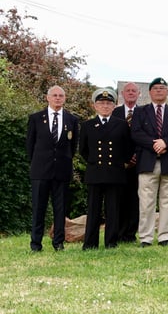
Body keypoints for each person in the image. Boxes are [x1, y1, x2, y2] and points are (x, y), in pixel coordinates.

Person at [131, 77, 168, 247]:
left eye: (162, 88)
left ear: (167, 91)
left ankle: (164, 237)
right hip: (147, 162)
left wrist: (166, 143)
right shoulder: (140, 111)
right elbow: (136, 133)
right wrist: (155, 144)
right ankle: (146, 238)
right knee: (146, 202)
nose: (159, 91)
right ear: (149, 92)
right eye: (155, 88)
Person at [26, 85, 79, 252]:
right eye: (54, 95)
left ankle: (58, 242)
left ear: (64, 98)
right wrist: (37, 163)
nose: (58, 98)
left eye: (61, 95)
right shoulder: (35, 118)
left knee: (60, 209)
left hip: (61, 170)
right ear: (47, 98)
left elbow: (73, 146)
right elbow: (30, 146)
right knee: (39, 208)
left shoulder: (72, 120)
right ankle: (36, 244)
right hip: (40, 170)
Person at [79, 88, 133, 249]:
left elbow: (128, 148)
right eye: (101, 103)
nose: (105, 106)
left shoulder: (122, 125)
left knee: (113, 210)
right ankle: (90, 243)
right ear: (95, 106)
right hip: (95, 172)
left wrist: (119, 162)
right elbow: (83, 150)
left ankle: (111, 241)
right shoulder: (87, 125)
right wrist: (94, 161)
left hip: (115, 172)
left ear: (114, 106)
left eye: (108, 103)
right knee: (93, 210)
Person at [112, 82, 141, 243]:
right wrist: (124, 158)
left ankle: (130, 234)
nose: (131, 93)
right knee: (117, 200)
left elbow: (146, 136)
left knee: (134, 200)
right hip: (118, 165)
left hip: (138, 163)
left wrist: (135, 156)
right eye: (128, 91)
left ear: (139, 94)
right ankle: (117, 232)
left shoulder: (144, 112)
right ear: (122, 94)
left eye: (134, 91)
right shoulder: (114, 112)